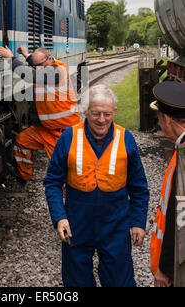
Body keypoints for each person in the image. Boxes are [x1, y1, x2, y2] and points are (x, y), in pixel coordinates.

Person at [44, 85, 149, 287]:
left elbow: (139, 186)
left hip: (115, 223)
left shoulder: (125, 138)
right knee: (76, 281)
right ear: (85, 112)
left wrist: (138, 221)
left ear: (114, 112)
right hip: (77, 222)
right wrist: (59, 218)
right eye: (96, 114)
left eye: (107, 114)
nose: (102, 120)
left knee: (120, 281)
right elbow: (52, 181)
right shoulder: (69, 137)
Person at [0, 45, 80, 182]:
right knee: (22, 142)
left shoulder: (57, 71)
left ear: (50, 58)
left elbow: (31, 75)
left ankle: (69, 199)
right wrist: (26, 55)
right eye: (36, 65)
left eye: (40, 65)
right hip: (44, 129)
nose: (38, 68)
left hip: (61, 132)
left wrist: (11, 58)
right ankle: (23, 175)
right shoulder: (44, 66)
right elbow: (36, 64)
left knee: (63, 171)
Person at [150, 77, 185, 287]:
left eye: (159, 119)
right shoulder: (180, 148)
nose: (160, 124)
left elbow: (180, 213)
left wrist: (166, 268)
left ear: (168, 120)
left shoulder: (184, 156)